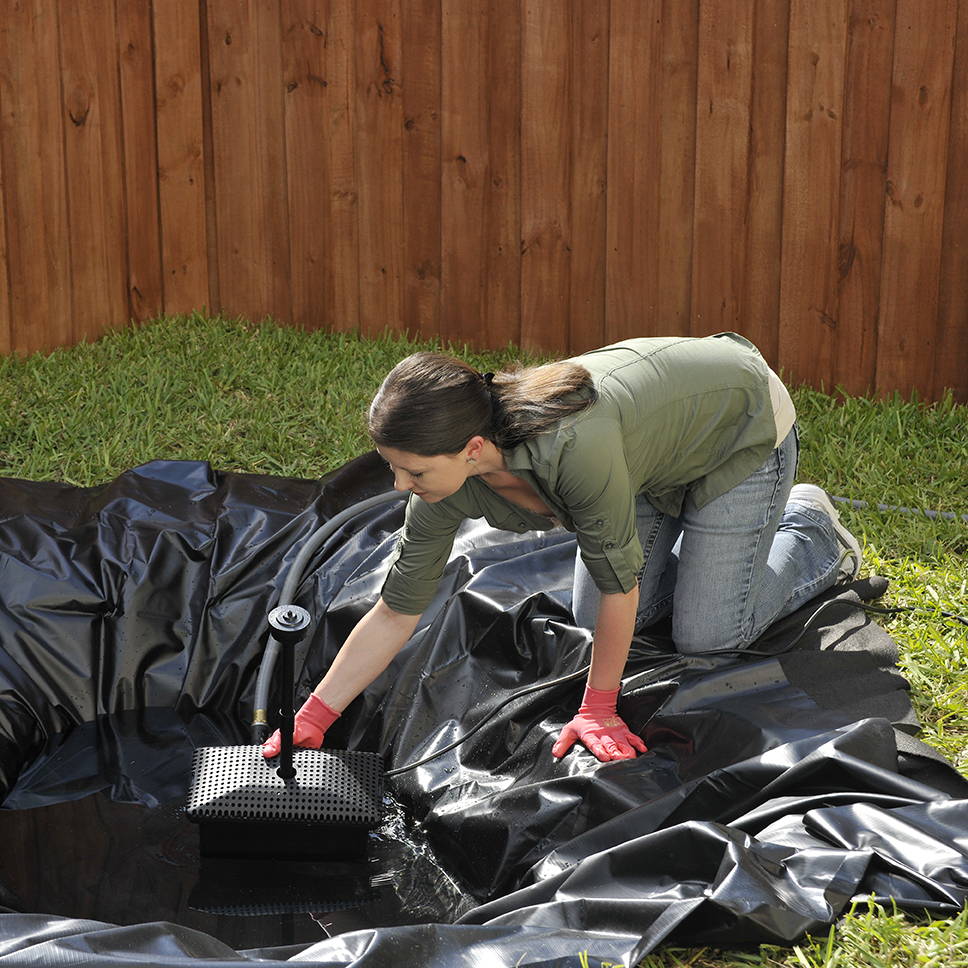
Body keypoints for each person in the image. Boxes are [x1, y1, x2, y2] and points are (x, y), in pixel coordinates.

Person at [262, 333, 862, 763]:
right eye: (393, 469)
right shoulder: (442, 489)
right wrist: (317, 715)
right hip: (645, 459)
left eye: (412, 472)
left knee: (708, 637)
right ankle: (716, 546)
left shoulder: (573, 450)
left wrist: (598, 707)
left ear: (473, 449)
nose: (400, 487)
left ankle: (811, 528)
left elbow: (617, 585)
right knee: (587, 623)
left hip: (736, 422)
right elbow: (396, 610)